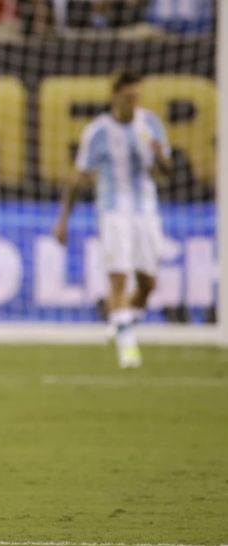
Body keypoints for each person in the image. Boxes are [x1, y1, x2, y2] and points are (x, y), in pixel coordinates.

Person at [53, 70, 172, 369]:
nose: (134, 103)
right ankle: (128, 347)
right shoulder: (98, 132)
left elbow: (168, 173)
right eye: (129, 97)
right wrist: (63, 220)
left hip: (146, 209)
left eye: (137, 97)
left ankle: (119, 324)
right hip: (112, 210)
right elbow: (78, 177)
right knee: (118, 277)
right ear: (115, 96)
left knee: (148, 282)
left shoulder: (151, 124)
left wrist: (160, 156)